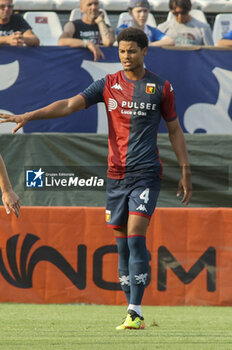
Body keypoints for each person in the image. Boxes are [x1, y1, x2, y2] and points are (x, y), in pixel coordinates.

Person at [0, 27, 192, 329]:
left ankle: (135, 308)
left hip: (145, 175)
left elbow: (174, 130)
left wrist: (185, 170)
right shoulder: (108, 85)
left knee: (135, 238)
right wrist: (28, 116)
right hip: (115, 177)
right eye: (122, 51)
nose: (126, 56)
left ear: (144, 51)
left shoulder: (161, 88)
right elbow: (67, 105)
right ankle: (132, 311)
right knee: (121, 246)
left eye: (131, 51)